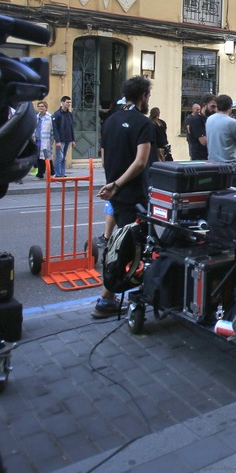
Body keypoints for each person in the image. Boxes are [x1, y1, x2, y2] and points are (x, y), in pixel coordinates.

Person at [94, 76, 155, 318]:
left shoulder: (109, 120)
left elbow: (103, 156)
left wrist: (112, 182)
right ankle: (105, 300)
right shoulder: (144, 123)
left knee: (124, 244)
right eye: (148, 96)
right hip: (134, 195)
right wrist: (118, 185)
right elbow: (141, 162)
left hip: (117, 194)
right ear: (142, 96)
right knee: (130, 248)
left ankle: (120, 294)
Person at [204, 95, 236, 186]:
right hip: (229, 165)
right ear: (230, 107)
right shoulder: (232, 123)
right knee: (233, 195)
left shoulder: (209, 119)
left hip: (213, 163)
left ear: (217, 105)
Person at [51, 94, 75, 177]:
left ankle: (62, 173)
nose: (69, 104)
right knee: (59, 157)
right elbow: (55, 129)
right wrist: (57, 140)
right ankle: (57, 173)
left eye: (70, 102)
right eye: (67, 102)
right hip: (60, 139)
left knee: (64, 157)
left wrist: (73, 140)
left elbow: (72, 127)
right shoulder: (57, 114)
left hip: (68, 139)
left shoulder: (69, 114)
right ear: (62, 103)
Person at [188, 93, 217, 161]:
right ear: (204, 105)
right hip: (200, 159)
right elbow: (204, 141)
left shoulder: (210, 119)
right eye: (212, 107)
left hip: (210, 157)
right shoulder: (196, 120)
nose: (215, 110)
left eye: (216, 107)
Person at [33, 100, 53, 179]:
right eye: (39, 106)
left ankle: (52, 172)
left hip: (46, 140)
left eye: (42, 106)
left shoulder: (49, 117)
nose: (40, 108)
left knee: (47, 157)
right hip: (38, 139)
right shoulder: (37, 117)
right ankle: (40, 174)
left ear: (46, 108)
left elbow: (52, 129)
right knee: (38, 156)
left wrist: (52, 140)